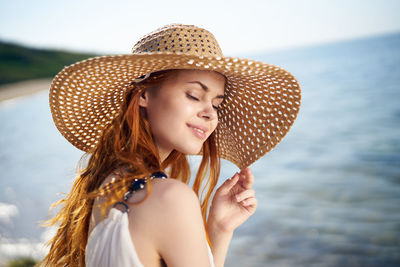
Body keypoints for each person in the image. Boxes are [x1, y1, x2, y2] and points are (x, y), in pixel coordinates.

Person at [39, 24, 301, 267]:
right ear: (143, 95)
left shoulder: (108, 184)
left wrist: (219, 230)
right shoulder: (167, 197)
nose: (210, 114)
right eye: (194, 95)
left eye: (217, 103)